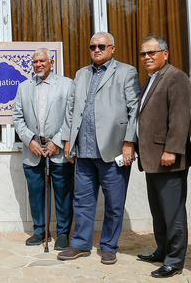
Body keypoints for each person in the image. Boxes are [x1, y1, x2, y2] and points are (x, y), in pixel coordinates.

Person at [58, 32, 141, 265]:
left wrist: (129, 142)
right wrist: (67, 140)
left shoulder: (126, 72)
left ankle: (108, 246)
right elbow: (71, 109)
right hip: (84, 150)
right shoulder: (81, 74)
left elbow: (134, 109)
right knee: (82, 201)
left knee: (114, 203)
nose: (96, 50)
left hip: (113, 150)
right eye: (92, 46)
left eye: (102, 46)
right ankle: (80, 244)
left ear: (112, 48)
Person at [135, 36, 191, 278]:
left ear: (165, 54)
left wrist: (172, 149)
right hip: (152, 158)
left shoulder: (175, 77)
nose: (147, 57)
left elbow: (179, 118)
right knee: (158, 210)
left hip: (168, 158)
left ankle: (175, 260)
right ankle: (162, 249)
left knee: (173, 212)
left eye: (152, 52)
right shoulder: (152, 79)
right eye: (143, 54)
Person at [12, 48, 74, 250]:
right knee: (36, 193)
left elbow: (71, 117)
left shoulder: (66, 84)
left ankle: (63, 233)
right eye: (35, 61)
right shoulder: (24, 87)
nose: (38, 64)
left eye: (42, 61)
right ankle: (40, 231)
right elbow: (17, 118)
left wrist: (57, 141)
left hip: (58, 149)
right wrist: (30, 140)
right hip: (34, 150)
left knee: (63, 193)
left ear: (51, 62)